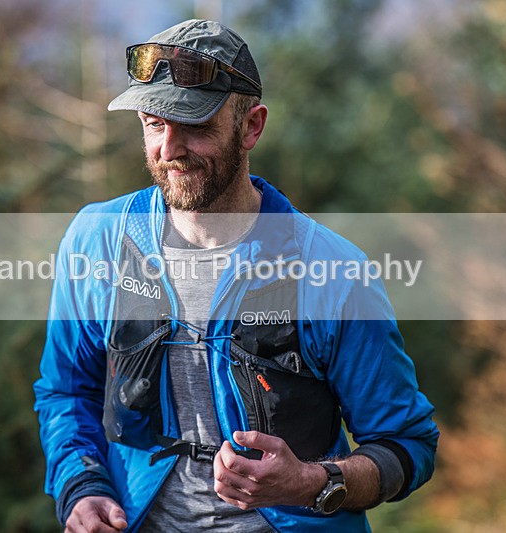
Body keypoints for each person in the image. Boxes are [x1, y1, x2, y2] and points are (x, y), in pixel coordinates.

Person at [34, 19, 439, 532]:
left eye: (195, 126)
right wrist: (82, 486)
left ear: (251, 127)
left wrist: (310, 482)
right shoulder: (98, 240)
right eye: (154, 124)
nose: (169, 149)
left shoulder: (334, 273)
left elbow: (407, 445)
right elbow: (66, 392)